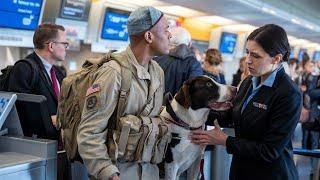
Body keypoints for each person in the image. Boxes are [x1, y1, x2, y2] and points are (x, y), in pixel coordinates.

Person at [191, 24, 302, 180]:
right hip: (241, 170)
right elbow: (233, 115)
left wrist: (225, 140)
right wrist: (192, 111)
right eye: (247, 53)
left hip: (271, 174)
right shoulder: (249, 82)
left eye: (256, 56)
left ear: (277, 58)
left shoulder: (288, 94)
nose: (248, 61)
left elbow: (269, 150)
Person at [77, 6, 171, 180]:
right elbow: (89, 133)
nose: (170, 35)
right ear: (149, 36)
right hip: (119, 173)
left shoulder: (158, 72)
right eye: (166, 30)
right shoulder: (112, 73)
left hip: (150, 173)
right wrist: (109, 174)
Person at [7, 23, 69, 179]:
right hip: (34, 152)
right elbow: (17, 113)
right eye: (64, 44)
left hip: (58, 148)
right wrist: (49, 120)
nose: (66, 48)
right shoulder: (25, 69)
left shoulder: (59, 74)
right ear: (52, 46)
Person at [155, 26, 202, 95]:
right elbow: (195, 92)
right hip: (178, 105)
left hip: (155, 104)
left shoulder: (156, 58)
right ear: (189, 44)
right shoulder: (193, 64)